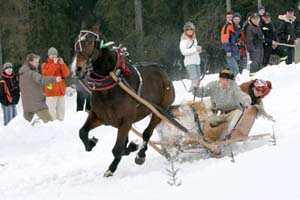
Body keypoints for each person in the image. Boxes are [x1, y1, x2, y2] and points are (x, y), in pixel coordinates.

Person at [193, 69, 251, 140]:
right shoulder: (213, 85)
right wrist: (195, 88)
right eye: (223, 79)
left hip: (231, 113)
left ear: (231, 81)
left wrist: (246, 101)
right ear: (220, 78)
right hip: (218, 114)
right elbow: (200, 93)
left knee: (238, 113)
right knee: (206, 121)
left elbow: (241, 96)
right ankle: (204, 136)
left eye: (227, 80)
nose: (225, 82)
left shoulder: (234, 87)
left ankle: (229, 135)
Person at [19, 53, 62, 123]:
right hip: (37, 103)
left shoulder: (23, 73)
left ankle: (35, 126)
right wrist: (55, 79)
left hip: (28, 104)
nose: (38, 64)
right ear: (30, 62)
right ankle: (37, 125)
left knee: (24, 124)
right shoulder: (32, 73)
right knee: (49, 122)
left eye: (38, 62)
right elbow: (42, 79)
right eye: (36, 62)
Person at [42, 47, 70, 121]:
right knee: (51, 111)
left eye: (55, 54)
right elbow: (48, 74)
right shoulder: (45, 64)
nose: (53, 56)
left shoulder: (60, 64)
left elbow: (66, 73)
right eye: (51, 54)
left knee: (61, 111)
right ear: (48, 55)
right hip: (51, 91)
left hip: (61, 92)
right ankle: (52, 127)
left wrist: (63, 64)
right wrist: (54, 63)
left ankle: (60, 127)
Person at [179, 21, 202, 92]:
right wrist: (195, 49)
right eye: (187, 29)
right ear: (185, 31)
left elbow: (194, 51)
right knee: (194, 81)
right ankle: (191, 94)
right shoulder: (183, 40)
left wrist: (198, 50)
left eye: (191, 29)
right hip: (189, 62)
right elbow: (183, 52)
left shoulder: (194, 39)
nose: (189, 31)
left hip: (196, 61)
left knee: (198, 80)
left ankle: (196, 93)